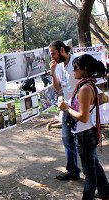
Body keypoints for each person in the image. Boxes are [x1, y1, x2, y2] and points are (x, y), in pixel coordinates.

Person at [58, 54, 109, 199]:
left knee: (89, 173)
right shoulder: (88, 84)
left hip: (85, 134)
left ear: (85, 69)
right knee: (93, 164)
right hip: (86, 132)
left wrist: (66, 108)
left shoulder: (85, 88)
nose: (73, 72)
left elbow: (83, 116)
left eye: (76, 68)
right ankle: (105, 190)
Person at [49, 40, 81, 180]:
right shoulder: (59, 66)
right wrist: (52, 72)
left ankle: (96, 179)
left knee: (84, 145)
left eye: (53, 53)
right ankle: (73, 171)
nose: (52, 57)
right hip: (66, 108)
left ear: (62, 50)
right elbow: (58, 89)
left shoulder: (77, 62)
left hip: (80, 108)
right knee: (67, 141)